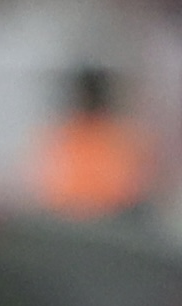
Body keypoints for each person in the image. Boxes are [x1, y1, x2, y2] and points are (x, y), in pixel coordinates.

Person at [34, 63, 155, 221]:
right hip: (74, 221)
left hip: (110, 221)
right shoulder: (64, 137)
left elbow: (129, 189)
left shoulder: (120, 137)